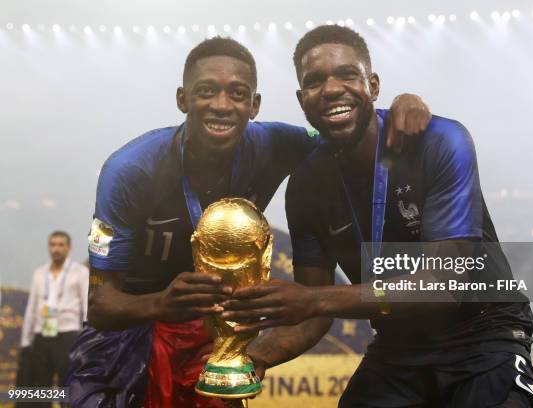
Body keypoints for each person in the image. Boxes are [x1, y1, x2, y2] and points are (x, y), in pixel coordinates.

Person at [67, 36, 432, 408]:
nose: (222, 105)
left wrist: (401, 105)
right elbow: (102, 306)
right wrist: (160, 303)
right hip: (131, 338)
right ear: (182, 99)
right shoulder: (129, 171)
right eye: (207, 91)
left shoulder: (276, 144)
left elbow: (348, 129)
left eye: (238, 94)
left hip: (212, 337)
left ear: (254, 105)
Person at [221, 26, 533, 407]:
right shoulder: (306, 185)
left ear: (373, 85)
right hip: (398, 345)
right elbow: (312, 313)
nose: (332, 88)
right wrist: (257, 356)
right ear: (302, 99)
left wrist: (314, 300)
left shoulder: (439, 141)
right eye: (315, 81)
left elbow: (443, 286)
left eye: (347, 74)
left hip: (484, 335)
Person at [20, 231, 88, 403]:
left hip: (68, 336)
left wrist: (87, 341)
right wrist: (26, 342)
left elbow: (86, 308)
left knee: (69, 387)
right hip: (42, 337)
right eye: (52, 244)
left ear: (69, 248)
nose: (56, 249)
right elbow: (31, 309)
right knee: (40, 390)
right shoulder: (39, 273)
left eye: (60, 245)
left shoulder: (79, 272)